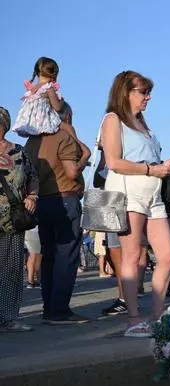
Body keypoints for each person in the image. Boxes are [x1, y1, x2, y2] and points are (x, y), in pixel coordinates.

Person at [101, 70, 170, 336]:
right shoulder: (113, 120)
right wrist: (150, 169)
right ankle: (133, 319)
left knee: (167, 255)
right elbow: (113, 162)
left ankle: (157, 316)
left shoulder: (144, 125)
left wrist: (164, 167)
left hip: (152, 193)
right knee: (132, 256)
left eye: (148, 92)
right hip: (129, 192)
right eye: (143, 92)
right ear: (126, 92)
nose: (148, 97)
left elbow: (147, 160)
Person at [24, 100, 90, 324]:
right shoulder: (64, 138)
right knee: (66, 256)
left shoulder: (32, 142)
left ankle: (49, 308)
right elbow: (71, 172)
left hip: (43, 201)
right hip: (65, 198)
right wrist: (85, 157)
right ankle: (60, 310)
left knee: (48, 255)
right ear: (65, 118)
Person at [0, 107, 38, 332]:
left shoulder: (19, 151)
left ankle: (9, 316)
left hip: (14, 217)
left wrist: (32, 196)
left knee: (12, 268)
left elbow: (32, 177)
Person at [11, 57, 64, 137]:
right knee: (66, 127)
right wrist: (61, 102)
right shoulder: (48, 88)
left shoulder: (31, 90)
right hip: (43, 123)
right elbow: (57, 107)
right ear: (54, 74)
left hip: (29, 124)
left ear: (37, 73)